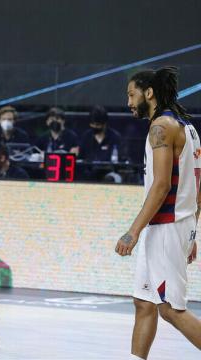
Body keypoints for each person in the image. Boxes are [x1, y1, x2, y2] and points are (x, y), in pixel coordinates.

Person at [116, 66, 201, 360]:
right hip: (175, 225)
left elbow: (162, 185)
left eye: (131, 94)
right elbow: (197, 185)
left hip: (165, 226)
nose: (128, 102)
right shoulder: (187, 126)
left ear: (148, 93)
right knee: (144, 302)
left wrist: (132, 231)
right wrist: (193, 233)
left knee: (171, 310)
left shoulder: (160, 128)